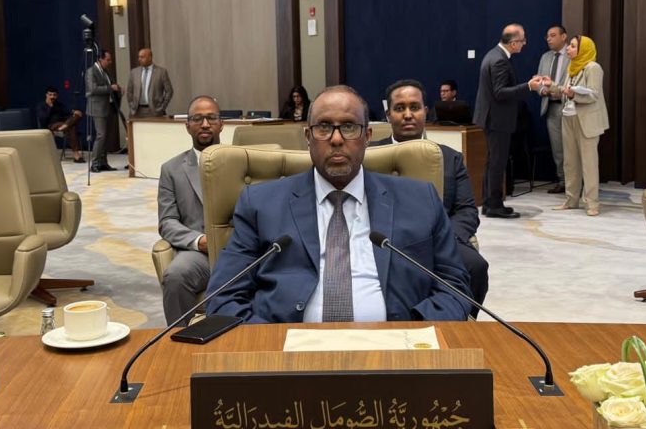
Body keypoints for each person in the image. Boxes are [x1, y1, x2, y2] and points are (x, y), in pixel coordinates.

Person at [204, 85, 472, 323]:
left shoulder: (420, 199)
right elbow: (224, 296)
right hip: (290, 352)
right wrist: (274, 345)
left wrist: (413, 336)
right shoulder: (261, 204)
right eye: (323, 127)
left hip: (396, 350)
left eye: (349, 127)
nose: (336, 139)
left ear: (367, 136)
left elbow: (454, 286)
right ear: (308, 137)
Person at [374, 79, 488, 316]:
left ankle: (459, 323)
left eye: (414, 107)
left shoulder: (450, 158)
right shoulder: (371, 155)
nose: (408, 115)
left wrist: (444, 238)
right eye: (400, 108)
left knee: (476, 266)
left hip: (441, 238)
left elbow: (466, 210)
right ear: (388, 115)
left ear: (425, 112)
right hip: (384, 239)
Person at [158, 96, 224, 323]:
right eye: (197, 119)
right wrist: (199, 241)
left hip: (241, 249)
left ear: (221, 124)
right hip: (199, 254)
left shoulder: (243, 161)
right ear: (187, 126)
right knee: (175, 276)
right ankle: (177, 339)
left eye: (211, 118)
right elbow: (167, 222)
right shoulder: (171, 170)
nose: (205, 124)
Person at [473, 24, 547, 219]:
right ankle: (494, 205)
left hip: (492, 118)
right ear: (513, 43)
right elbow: (500, 92)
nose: (525, 44)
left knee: (493, 162)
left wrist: (528, 84)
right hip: (497, 119)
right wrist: (528, 87)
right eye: (522, 40)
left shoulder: (493, 54)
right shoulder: (499, 60)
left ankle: (489, 203)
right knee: (497, 163)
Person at [549, 35, 609, 216]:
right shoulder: (572, 67)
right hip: (568, 118)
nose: (568, 49)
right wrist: (550, 85)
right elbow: (565, 91)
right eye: (569, 46)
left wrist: (574, 95)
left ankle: (592, 203)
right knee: (570, 162)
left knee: (589, 164)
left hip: (586, 121)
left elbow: (593, 95)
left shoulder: (593, 68)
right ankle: (571, 200)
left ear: (583, 49)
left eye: (573, 46)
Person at [537, 25, 569, 193]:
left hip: (570, 107)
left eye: (553, 35)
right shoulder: (545, 57)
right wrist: (542, 90)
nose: (548, 39)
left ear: (564, 37)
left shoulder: (573, 56)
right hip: (551, 107)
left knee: (572, 147)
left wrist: (560, 91)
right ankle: (562, 181)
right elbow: (538, 82)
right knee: (557, 149)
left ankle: (576, 183)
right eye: (547, 36)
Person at [85, 50, 121, 172]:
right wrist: (110, 87)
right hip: (97, 108)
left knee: (105, 136)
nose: (110, 62)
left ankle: (103, 162)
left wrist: (117, 88)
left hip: (108, 106)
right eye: (108, 60)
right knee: (101, 135)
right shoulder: (91, 71)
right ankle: (94, 163)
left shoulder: (105, 71)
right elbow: (92, 89)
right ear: (100, 59)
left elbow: (110, 85)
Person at [35, 86, 84, 163]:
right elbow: (42, 119)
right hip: (50, 126)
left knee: (76, 116)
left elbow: (67, 111)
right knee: (72, 126)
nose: (52, 97)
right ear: (46, 95)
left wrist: (74, 112)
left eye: (54, 95)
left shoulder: (58, 105)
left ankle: (66, 125)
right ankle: (76, 155)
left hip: (62, 125)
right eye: (50, 95)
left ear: (57, 96)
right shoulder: (41, 106)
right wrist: (50, 107)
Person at [126, 48, 173, 118]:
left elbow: (169, 91)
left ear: (150, 58)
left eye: (142, 57)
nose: (139, 59)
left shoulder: (161, 72)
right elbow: (129, 91)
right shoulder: (134, 72)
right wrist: (131, 105)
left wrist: (162, 107)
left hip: (155, 111)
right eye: (139, 57)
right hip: (137, 111)